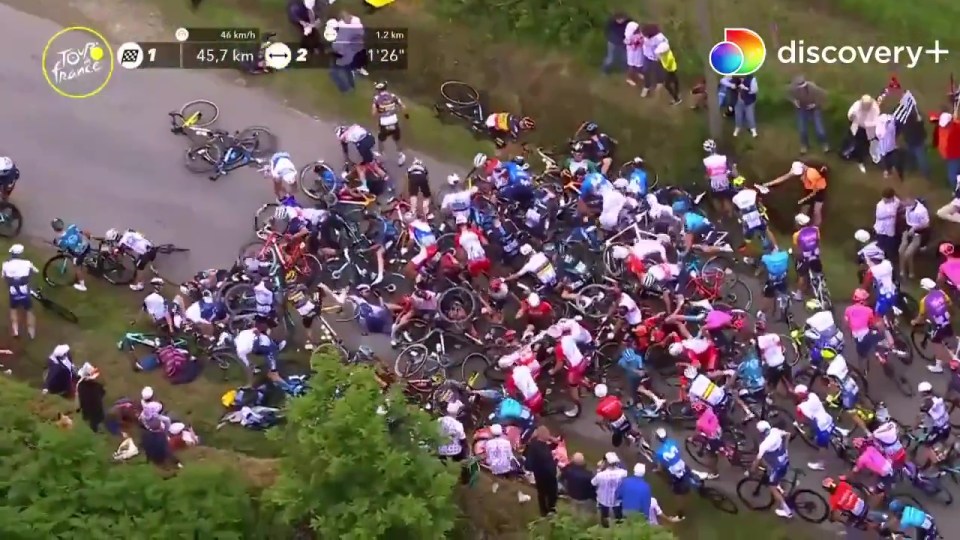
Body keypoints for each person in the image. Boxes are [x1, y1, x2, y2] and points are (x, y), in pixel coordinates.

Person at [794, 384, 848, 470]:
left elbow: (806, 420)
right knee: (832, 429)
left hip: (821, 427)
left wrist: (802, 425)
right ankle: (842, 434)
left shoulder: (801, 407)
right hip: (827, 418)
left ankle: (821, 464)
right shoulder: (813, 395)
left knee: (822, 446)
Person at [763, 160, 827, 227]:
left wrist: (804, 199)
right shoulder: (798, 169)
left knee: (816, 210)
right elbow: (784, 177)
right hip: (809, 188)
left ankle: (816, 228)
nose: (799, 177)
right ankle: (800, 227)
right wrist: (768, 184)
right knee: (804, 208)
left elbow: (815, 191)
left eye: (800, 175)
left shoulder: (811, 174)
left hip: (819, 190)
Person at [751, 420, 793, 518]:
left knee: (772, 487)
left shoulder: (764, 444)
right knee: (779, 477)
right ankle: (783, 491)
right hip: (785, 460)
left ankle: (787, 511)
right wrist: (785, 449)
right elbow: (788, 435)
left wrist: (752, 470)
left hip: (777, 467)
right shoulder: (776, 431)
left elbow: (757, 460)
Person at [911, 278, 953, 373]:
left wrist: (915, 322)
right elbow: (949, 304)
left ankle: (939, 366)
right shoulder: (942, 293)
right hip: (947, 320)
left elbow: (921, 316)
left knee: (936, 342)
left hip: (939, 325)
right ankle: (953, 353)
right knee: (949, 339)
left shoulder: (924, 301)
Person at [2, 244, 38, 339]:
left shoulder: (5, 264)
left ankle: (15, 330)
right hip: (25, 291)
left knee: (13, 310)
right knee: (29, 311)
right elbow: (36, 271)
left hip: (13, 291)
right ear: (21, 254)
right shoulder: (27, 263)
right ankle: (31, 332)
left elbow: (3, 276)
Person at [788, 75, 829, 154]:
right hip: (802, 109)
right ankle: (804, 145)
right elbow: (787, 94)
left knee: (819, 130)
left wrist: (815, 104)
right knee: (802, 130)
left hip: (814, 110)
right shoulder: (793, 88)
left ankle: (824, 145)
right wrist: (794, 101)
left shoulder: (813, 88)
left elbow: (825, 95)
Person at [916, 381, 951, 469]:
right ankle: (945, 452)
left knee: (928, 445)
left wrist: (915, 426)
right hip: (947, 424)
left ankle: (937, 465)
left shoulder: (926, 404)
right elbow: (946, 405)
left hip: (939, 428)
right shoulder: (938, 396)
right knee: (943, 440)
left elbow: (919, 417)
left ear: (923, 393)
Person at [524, 426, 559, 516]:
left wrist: (551, 438)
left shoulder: (543, 444)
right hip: (542, 475)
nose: (549, 436)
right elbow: (528, 464)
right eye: (547, 434)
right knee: (543, 494)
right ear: (542, 435)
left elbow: (554, 444)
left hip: (550, 475)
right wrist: (538, 467)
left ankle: (551, 508)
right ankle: (544, 512)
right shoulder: (534, 447)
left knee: (552, 493)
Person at [50, 218, 92, 291]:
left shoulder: (61, 241)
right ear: (62, 224)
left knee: (76, 266)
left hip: (79, 253)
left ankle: (82, 286)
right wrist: (89, 236)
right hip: (86, 245)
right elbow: (81, 232)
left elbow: (63, 248)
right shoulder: (72, 227)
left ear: (54, 230)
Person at [370, 81, 406, 165]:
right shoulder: (393, 96)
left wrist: (379, 111)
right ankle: (400, 155)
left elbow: (373, 113)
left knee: (381, 139)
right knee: (397, 139)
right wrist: (404, 114)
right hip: (394, 121)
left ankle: (381, 154)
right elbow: (403, 106)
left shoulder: (376, 98)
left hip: (384, 123)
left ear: (378, 90)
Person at [592, 452, 628, 527]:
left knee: (604, 514)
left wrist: (599, 469)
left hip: (603, 499)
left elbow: (593, 483)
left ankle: (605, 526)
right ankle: (619, 525)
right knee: (618, 513)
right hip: (617, 499)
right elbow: (624, 469)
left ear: (606, 463)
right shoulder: (623, 473)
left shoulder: (600, 475)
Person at [701, 139, 735, 216]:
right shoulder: (724, 158)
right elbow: (730, 170)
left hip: (714, 185)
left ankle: (721, 217)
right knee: (728, 199)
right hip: (725, 182)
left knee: (716, 200)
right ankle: (731, 216)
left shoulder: (705, 161)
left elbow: (706, 176)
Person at [792, 213, 822, 301]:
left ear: (798, 224)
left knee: (801, 275)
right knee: (818, 273)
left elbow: (797, 249)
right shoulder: (816, 229)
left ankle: (799, 295)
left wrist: (796, 257)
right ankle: (821, 287)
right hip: (815, 254)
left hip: (805, 257)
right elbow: (818, 243)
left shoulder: (796, 235)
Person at [900, 198, 931, 279]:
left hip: (918, 232)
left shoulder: (921, 211)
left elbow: (926, 224)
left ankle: (910, 271)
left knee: (908, 254)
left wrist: (914, 228)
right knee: (901, 250)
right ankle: (902, 269)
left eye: (905, 201)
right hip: (907, 229)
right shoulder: (908, 206)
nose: (903, 203)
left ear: (910, 201)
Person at [76, 362, 105, 432]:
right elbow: (103, 392)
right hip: (96, 408)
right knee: (96, 420)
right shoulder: (97, 386)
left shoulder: (80, 386)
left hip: (86, 409)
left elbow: (79, 398)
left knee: (92, 421)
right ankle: (96, 429)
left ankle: (94, 430)